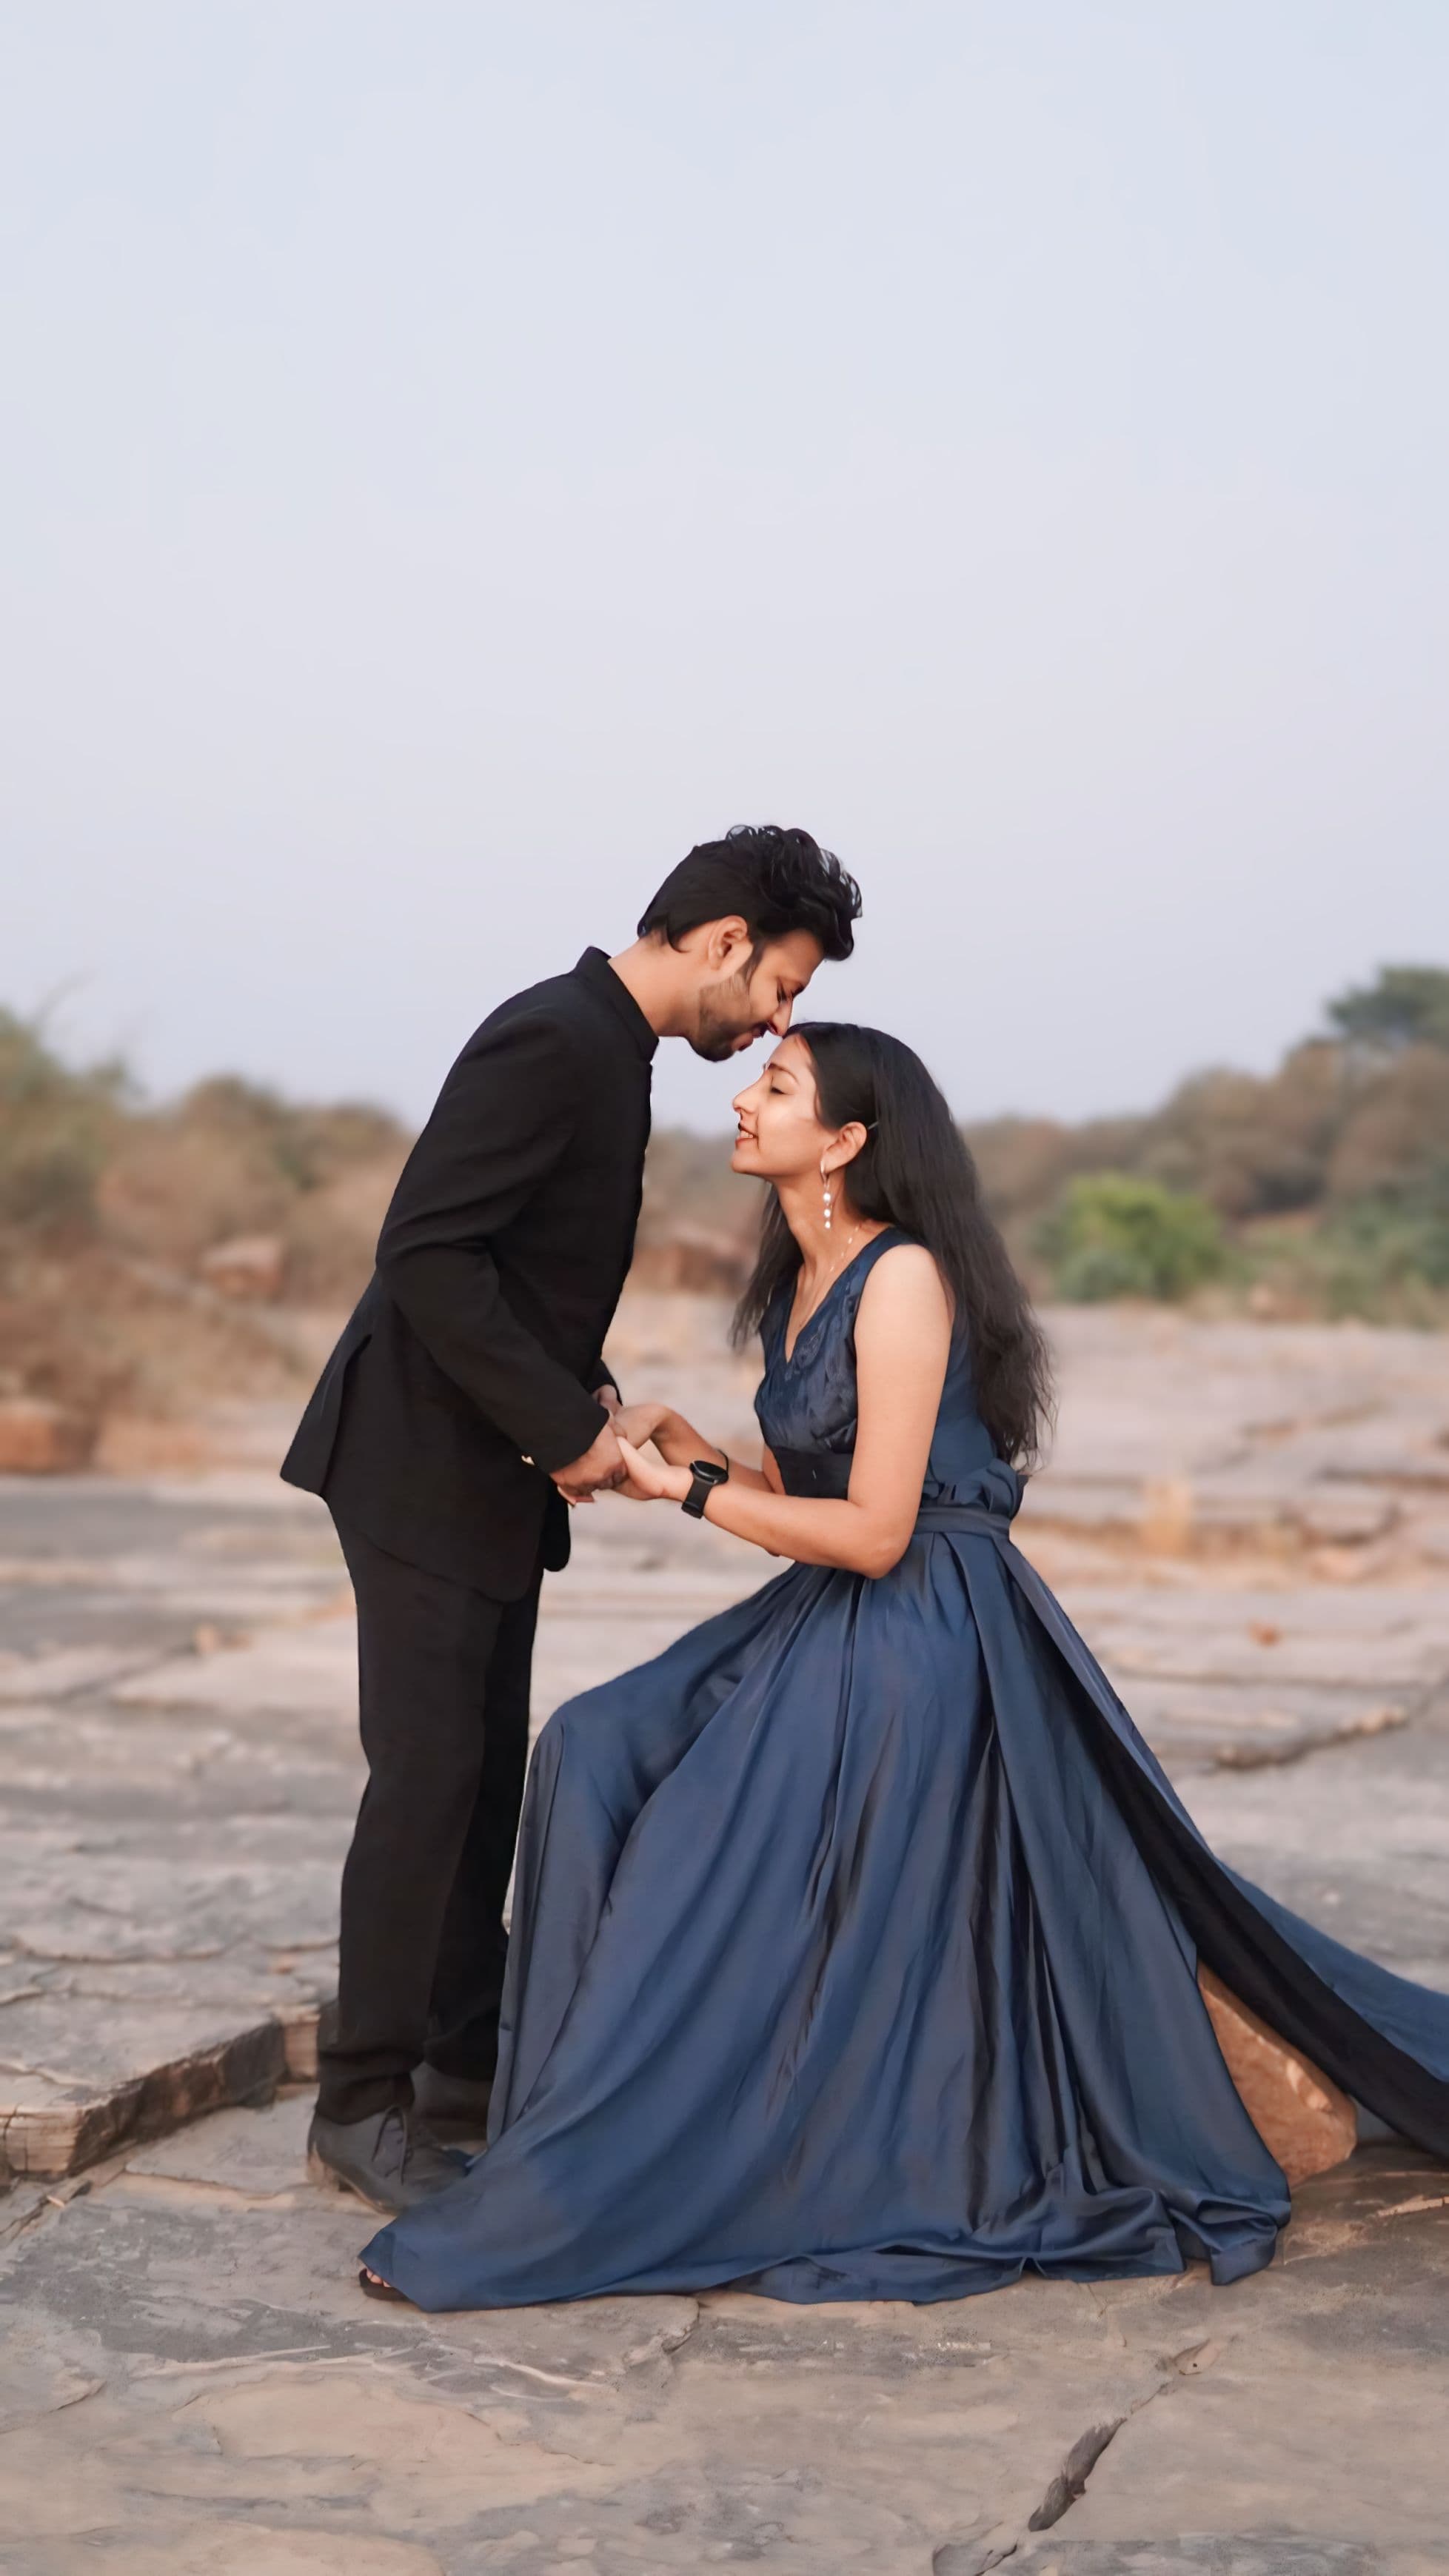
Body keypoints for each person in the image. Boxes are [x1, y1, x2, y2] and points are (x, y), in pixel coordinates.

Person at [358, 1021, 1449, 2309]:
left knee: (709, 1819)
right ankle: (563, 2114)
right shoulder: (802, 1275)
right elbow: (809, 1485)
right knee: (592, 1743)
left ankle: (635, 2151)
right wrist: (692, 1448)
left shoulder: (904, 1279)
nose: (744, 1101)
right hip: (834, 1605)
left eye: (776, 1087)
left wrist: (694, 1495)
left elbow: (880, 1532)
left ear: (847, 1140)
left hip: (927, 1627)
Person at [282, 829, 863, 2214]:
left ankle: (461, 2079)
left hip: (484, 1465)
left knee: (478, 1780)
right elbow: (425, 1252)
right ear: (724, 941)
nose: (776, 1018)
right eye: (777, 984)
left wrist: (586, 1396)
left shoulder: (610, 1053)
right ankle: (360, 2107)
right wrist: (564, 1431)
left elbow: (515, 1274)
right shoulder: (555, 1036)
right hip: (420, 1461)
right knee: (427, 1785)